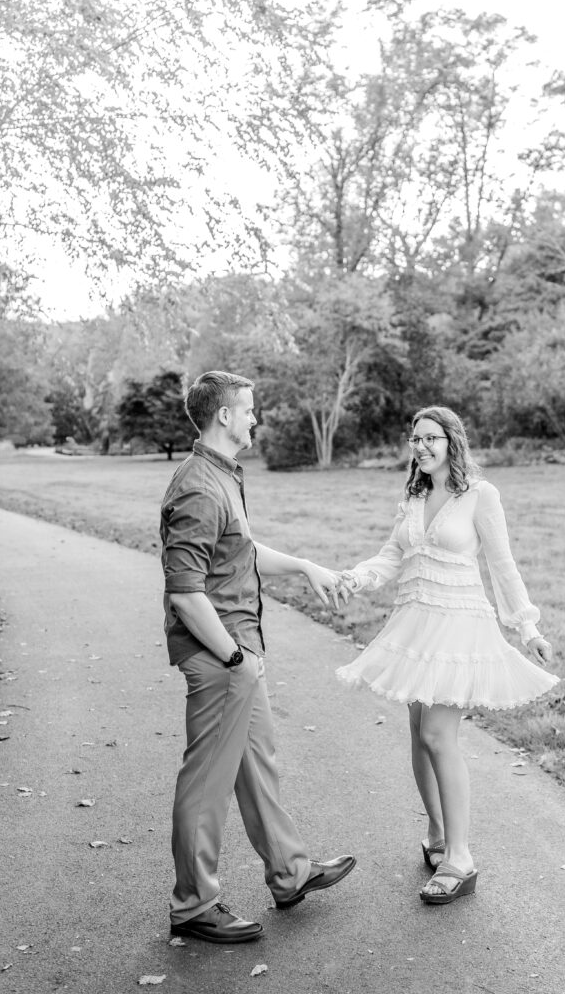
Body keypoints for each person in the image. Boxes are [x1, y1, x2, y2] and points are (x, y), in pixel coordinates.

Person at [160, 370, 355, 944]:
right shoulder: (198, 485)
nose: (255, 418)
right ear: (224, 415)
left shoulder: (222, 476)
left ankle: (289, 872)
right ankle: (195, 904)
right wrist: (233, 658)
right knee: (207, 781)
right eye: (248, 409)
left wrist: (302, 566)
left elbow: (239, 551)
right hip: (221, 653)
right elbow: (185, 591)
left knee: (256, 762)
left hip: (238, 646)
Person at [336, 406, 559, 905]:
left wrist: (528, 628)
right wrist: (355, 578)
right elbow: (393, 556)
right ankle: (436, 834)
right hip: (416, 625)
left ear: (452, 442)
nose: (421, 447)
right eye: (415, 439)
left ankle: (461, 858)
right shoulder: (414, 494)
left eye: (431, 438)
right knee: (419, 736)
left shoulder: (480, 495)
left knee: (439, 734)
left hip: (459, 628)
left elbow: (503, 566)